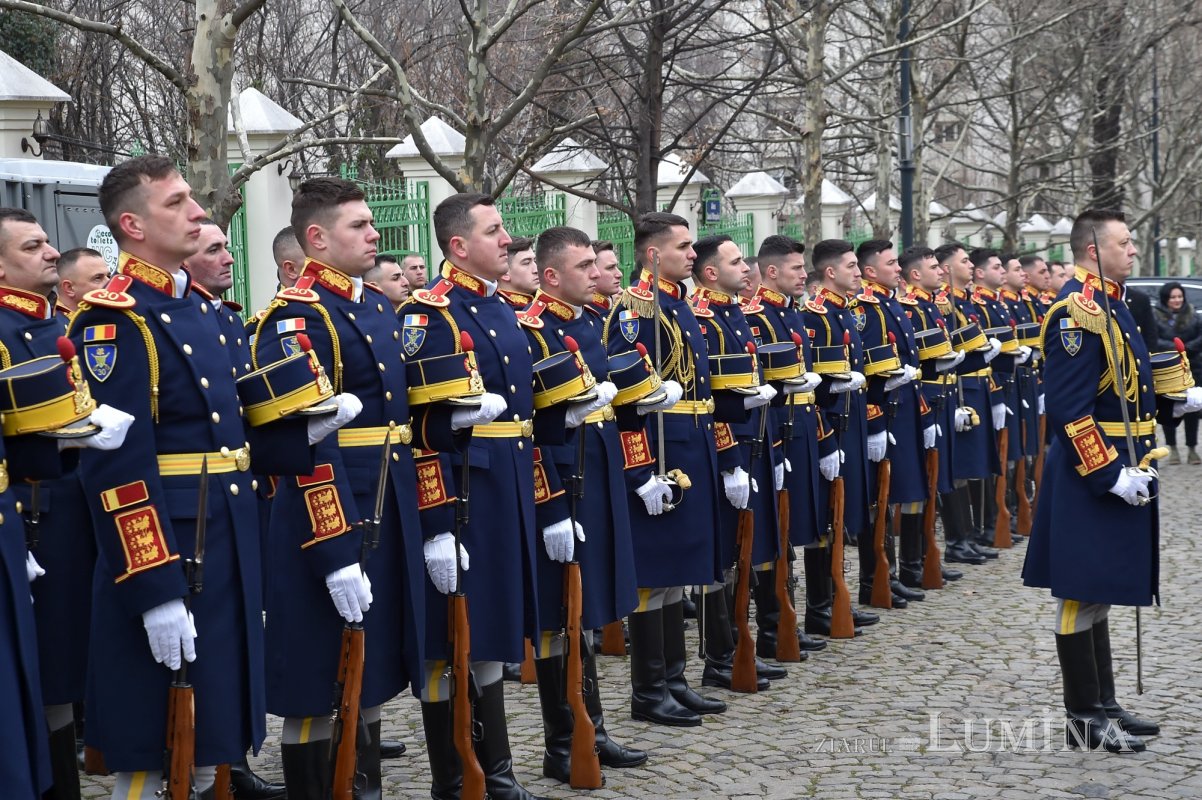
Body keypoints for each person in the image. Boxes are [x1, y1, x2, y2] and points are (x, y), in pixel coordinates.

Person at [67, 155, 328, 800]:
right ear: (133, 224)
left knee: (213, 730)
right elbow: (116, 466)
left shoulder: (205, 310)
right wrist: (153, 586)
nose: (198, 211)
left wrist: (302, 433)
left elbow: (228, 437)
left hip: (225, 538)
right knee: (153, 742)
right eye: (178, 202)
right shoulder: (116, 319)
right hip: (170, 547)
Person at [250, 178, 463, 800]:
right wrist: (333, 551)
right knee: (321, 671)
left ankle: (361, 787)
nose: (375, 235)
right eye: (359, 226)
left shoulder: (373, 306)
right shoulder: (295, 318)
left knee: (366, 667)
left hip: (387, 504)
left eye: (373, 224)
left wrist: (435, 518)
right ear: (316, 238)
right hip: (334, 515)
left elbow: (409, 429)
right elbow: (306, 449)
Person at [1022, 208, 1202, 752]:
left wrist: (1180, 389)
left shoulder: (1111, 303)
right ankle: (1082, 716)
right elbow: (1070, 409)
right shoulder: (1075, 312)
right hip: (1094, 468)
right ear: (1094, 250)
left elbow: (1135, 365)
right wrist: (1107, 473)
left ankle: (1104, 705)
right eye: (1125, 243)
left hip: (1127, 455)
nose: (1133, 251)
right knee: (1081, 590)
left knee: (1099, 589)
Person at [404, 192, 546, 800]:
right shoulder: (431, 315)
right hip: (465, 484)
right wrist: (436, 524)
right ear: (459, 246)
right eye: (495, 231)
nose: (508, 240)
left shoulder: (502, 308)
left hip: (508, 477)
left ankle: (499, 767)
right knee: (452, 632)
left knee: (492, 623)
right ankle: (456, 773)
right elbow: (421, 435)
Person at [0, 208, 133, 800]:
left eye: (48, 242)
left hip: (65, 512)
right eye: (33, 246)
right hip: (28, 514)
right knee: (40, 665)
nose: (52, 253)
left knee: (62, 664)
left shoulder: (51, 323)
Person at [518, 226, 648, 782]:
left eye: (597, 266)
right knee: (560, 614)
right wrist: (549, 507)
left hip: (596, 465)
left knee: (587, 607)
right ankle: (565, 739)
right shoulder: (533, 329)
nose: (598, 276)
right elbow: (531, 432)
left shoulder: (590, 321)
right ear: (551, 276)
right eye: (584, 268)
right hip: (561, 474)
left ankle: (591, 727)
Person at [604, 212, 736, 727]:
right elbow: (626, 405)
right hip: (662, 451)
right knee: (653, 577)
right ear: (654, 254)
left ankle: (675, 681)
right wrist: (641, 474)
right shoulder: (636, 310)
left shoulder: (679, 305)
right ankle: (648, 690)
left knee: (678, 573)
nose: (691, 254)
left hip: (691, 442)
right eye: (682, 247)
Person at [689, 235, 784, 690]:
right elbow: (708, 401)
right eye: (736, 261)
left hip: (754, 443)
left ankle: (737, 644)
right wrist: (729, 461)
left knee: (742, 554)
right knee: (724, 557)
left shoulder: (733, 313)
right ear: (711, 272)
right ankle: (719, 656)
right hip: (730, 447)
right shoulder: (705, 320)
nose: (747, 268)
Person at [743, 235, 835, 650]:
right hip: (776, 431)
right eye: (797, 269)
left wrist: (825, 436)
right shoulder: (756, 316)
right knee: (774, 531)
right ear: (773, 271)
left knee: (796, 524)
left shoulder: (791, 313)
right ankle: (772, 626)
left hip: (803, 427)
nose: (805, 275)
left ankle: (792, 619)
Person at [799, 240, 881, 633]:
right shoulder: (816, 315)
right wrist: (825, 439)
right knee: (826, 518)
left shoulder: (846, 312)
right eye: (851, 266)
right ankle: (820, 606)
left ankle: (835, 598)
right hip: (831, 426)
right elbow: (814, 389)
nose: (859, 272)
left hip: (852, 423)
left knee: (842, 514)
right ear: (830, 272)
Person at [855, 240, 931, 608]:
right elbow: (869, 376)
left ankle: (896, 572)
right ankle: (876, 578)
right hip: (886, 414)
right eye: (890, 264)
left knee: (894, 494)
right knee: (880, 499)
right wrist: (874, 423)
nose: (898, 269)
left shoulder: (889, 302)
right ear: (871, 271)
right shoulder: (867, 309)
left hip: (903, 408)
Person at [936, 242, 1001, 565]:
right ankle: (957, 539)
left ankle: (969, 535)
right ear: (947, 268)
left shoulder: (964, 302)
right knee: (957, 469)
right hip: (956, 391)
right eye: (963, 261)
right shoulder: (944, 304)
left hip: (972, 388)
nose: (969, 267)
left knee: (971, 467)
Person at [1153, 281, 1202, 464]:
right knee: (1169, 407)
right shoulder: (1156, 315)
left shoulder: (1193, 314)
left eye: (1179, 296)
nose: (1177, 300)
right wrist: (1175, 349)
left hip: (1192, 366)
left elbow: (1200, 336)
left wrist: (1187, 348)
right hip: (1167, 370)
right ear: (1166, 298)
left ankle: (1192, 448)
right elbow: (1154, 339)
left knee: (1191, 409)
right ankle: (1172, 448)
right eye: (1173, 297)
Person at [54, 247, 109, 316]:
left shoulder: (112, 317)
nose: (110, 283)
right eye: (98, 278)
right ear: (69, 288)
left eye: (108, 276)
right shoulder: (49, 323)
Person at [499, 236, 538, 307]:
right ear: (504, 273)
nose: (536, 270)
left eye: (535, 261)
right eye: (526, 263)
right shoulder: (498, 311)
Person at [590, 239, 623, 315]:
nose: (619, 274)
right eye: (610, 268)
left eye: (617, 266)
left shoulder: (618, 306)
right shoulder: (585, 313)